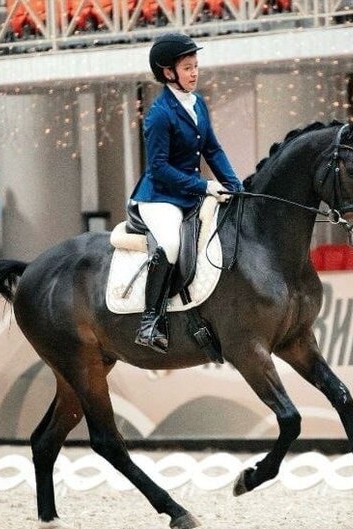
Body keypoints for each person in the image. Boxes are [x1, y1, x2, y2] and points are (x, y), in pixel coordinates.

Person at [130, 32, 242, 354]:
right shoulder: (159, 114)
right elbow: (159, 169)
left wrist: (236, 186)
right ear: (169, 73)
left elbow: (212, 149)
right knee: (170, 244)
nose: (194, 73)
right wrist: (206, 186)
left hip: (190, 193)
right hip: (160, 196)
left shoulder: (198, 103)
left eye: (195, 66)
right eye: (188, 68)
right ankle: (150, 322)